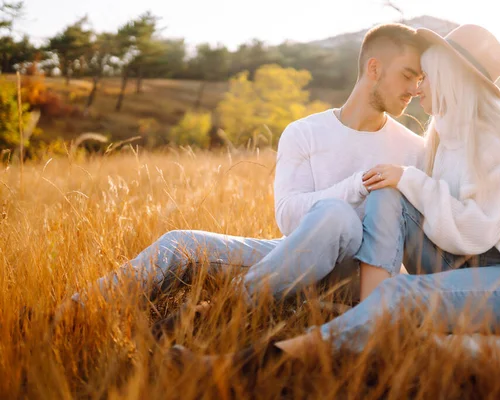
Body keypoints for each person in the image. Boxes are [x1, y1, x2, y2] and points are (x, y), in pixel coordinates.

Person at [194, 23, 500, 368]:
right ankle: (367, 310)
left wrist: (410, 179)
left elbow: (476, 232)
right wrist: (402, 182)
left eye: (426, 76)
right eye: (415, 76)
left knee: (400, 291)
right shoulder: (444, 133)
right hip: (465, 265)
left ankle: (265, 362)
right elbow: (435, 218)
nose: (417, 87)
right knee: (387, 190)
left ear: (450, 76)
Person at [57, 23, 427, 330]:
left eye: (419, 79)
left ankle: (225, 308)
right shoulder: (304, 132)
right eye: (407, 76)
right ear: (375, 69)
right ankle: (72, 315)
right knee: (179, 242)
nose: (414, 89)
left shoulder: (414, 149)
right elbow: (288, 218)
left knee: (336, 214)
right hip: (298, 255)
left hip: (359, 274)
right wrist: (356, 185)